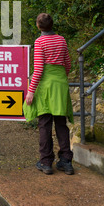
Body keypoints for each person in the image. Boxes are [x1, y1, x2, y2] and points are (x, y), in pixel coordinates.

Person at [24, 13, 74, 175]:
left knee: (45, 123)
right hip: (60, 84)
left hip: (45, 86)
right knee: (61, 123)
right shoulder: (62, 40)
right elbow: (67, 64)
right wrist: (60, 78)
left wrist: (31, 91)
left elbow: (38, 69)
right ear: (52, 25)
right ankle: (66, 161)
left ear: (39, 26)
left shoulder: (40, 42)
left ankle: (46, 162)